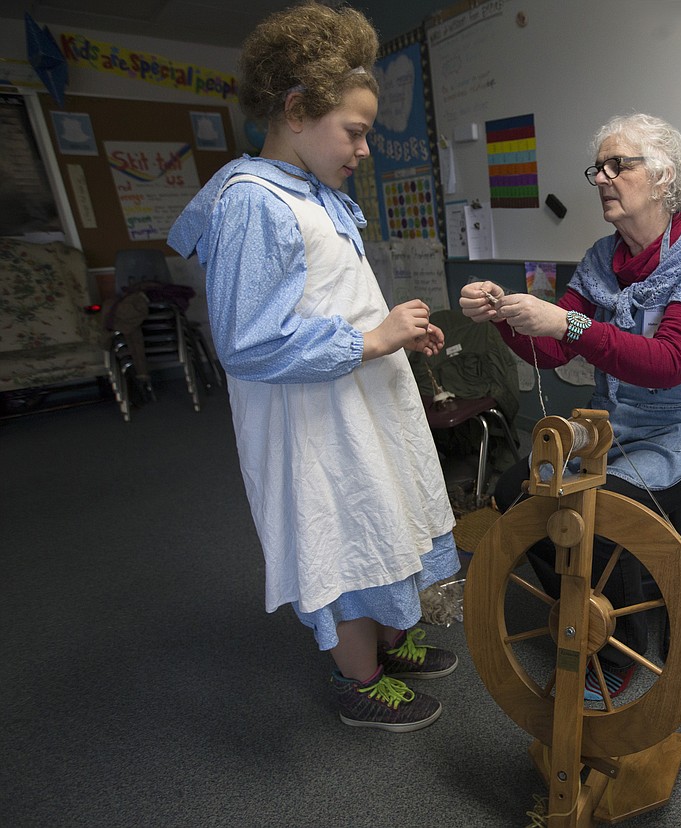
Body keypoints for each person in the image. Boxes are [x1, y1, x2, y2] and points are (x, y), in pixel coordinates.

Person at [167, 2, 459, 733]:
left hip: (355, 402)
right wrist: (368, 342)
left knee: (381, 516)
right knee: (341, 535)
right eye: (355, 133)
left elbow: (328, 298)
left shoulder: (318, 193)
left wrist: (394, 332)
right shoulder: (254, 205)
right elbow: (248, 342)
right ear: (296, 110)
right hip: (311, 419)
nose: (364, 149)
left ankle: (387, 646)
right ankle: (357, 679)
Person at [459, 113, 681, 698]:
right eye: (599, 167)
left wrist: (566, 324)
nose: (603, 179)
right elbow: (546, 352)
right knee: (521, 491)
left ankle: (622, 649)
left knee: (598, 515)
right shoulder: (601, 258)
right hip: (618, 424)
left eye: (620, 166)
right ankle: (585, 606)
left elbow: (669, 363)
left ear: (664, 176)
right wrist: (506, 317)